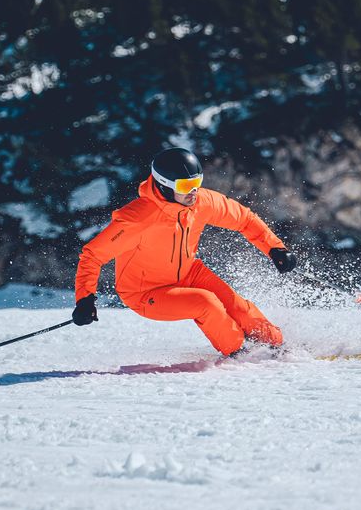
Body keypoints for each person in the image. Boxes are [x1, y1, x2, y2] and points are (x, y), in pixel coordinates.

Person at [72, 147, 297, 356]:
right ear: (163, 185)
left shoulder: (201, 202)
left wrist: (275, 248)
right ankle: (241, 354)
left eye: (196, 183)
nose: (193, 192)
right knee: (206, 303)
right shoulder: (136, 219)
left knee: (239, 309)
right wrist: (85, 299)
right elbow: (93, 255)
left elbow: (244, 219)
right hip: (146, 292)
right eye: (184, 186)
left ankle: (278, 347)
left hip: (189, 274)